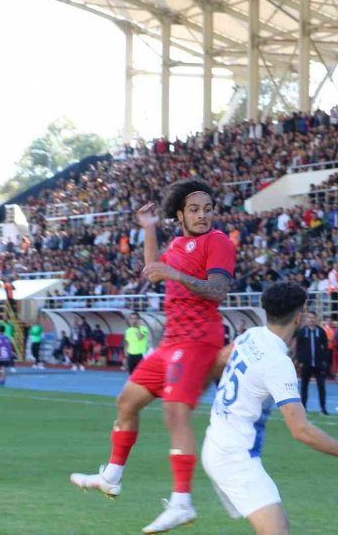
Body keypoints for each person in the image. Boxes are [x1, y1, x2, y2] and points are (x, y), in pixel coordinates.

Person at [71, 178, 236, 534]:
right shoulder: (177, 242)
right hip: (170, 342)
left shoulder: (218, 241)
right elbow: (153, 270)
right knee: (126, 402)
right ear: (179, 213)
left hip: (198, 340)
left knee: (174, 414)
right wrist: (148, 230)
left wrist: (174, 272)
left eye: (208, 209)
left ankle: (181, 503)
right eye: (194, 209)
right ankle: (111, 477)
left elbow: (219, 290)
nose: (203, 215)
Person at [202, 282, 338, 535]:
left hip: (216, 442)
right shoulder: (278, 362)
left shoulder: (250, 336)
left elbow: (220, 359)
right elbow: (300, 430)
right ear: (298, 318)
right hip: (235, 457)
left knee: (277, 526)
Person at [295, 311, 329, 415]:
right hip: (306, 364)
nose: (311, 320)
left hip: (318, 364)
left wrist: (324, 361)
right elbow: (299, 348)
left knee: (321, 387)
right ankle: (303, 408)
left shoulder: (321, 331)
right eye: (309, 318)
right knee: (304, 387)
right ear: (306, 319)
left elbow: (325, 347)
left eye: (313, 317)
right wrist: (300, 361)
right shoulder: (302, 332)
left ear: (316, 319)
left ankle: (323, 409)